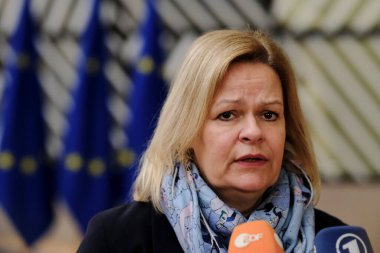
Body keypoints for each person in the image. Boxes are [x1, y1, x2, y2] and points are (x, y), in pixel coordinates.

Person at [76, 29, 345, 253]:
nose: (253, 131)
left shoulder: (334, 240)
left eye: (269, 114)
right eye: (227, 115)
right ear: (187, 129)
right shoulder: (117, 240)